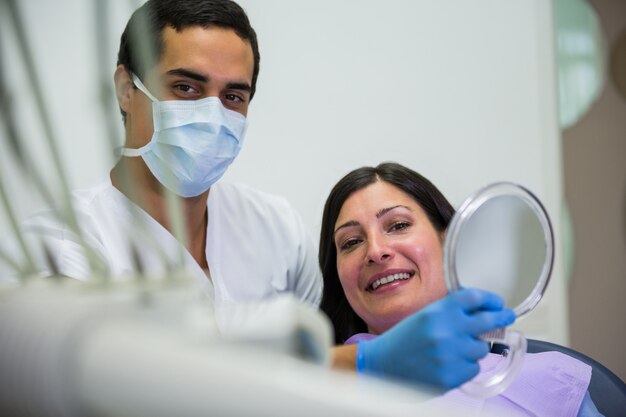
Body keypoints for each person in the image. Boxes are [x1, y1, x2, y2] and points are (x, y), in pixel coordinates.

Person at [319, 162, 603, 416]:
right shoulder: (306, 389)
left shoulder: (550, 384)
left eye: (399, 225)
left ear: (449, 241)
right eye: (351, 242)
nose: (376, 251)